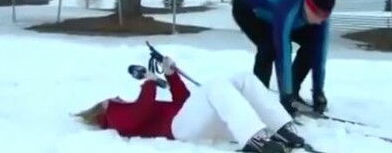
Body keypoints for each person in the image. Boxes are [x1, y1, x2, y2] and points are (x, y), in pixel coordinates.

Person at [74, 57, 305, 153]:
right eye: (112, 100)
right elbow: (137, 118)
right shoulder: (114, 116)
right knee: (215, 86)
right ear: (101, 109)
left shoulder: (128, 108)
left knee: (244, 78)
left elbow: (183, 102)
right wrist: (149, 84)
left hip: (188, 119)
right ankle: (255, 139)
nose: (117, 98)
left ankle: (282, 126)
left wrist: (171, 75)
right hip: (178, 129)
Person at [232, 0, 336, 117]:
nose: (321, 21)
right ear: (309, 6)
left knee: (312, 46)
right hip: (247, 8)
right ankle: (257, 98)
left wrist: (318, 92)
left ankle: (293, 90)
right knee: (269, 48)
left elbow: (320, 53)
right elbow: (283, 52)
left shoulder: (320, 15)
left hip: (276, 14)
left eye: (325, 17)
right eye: (319, 16)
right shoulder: (288, 6)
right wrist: (285, 97)